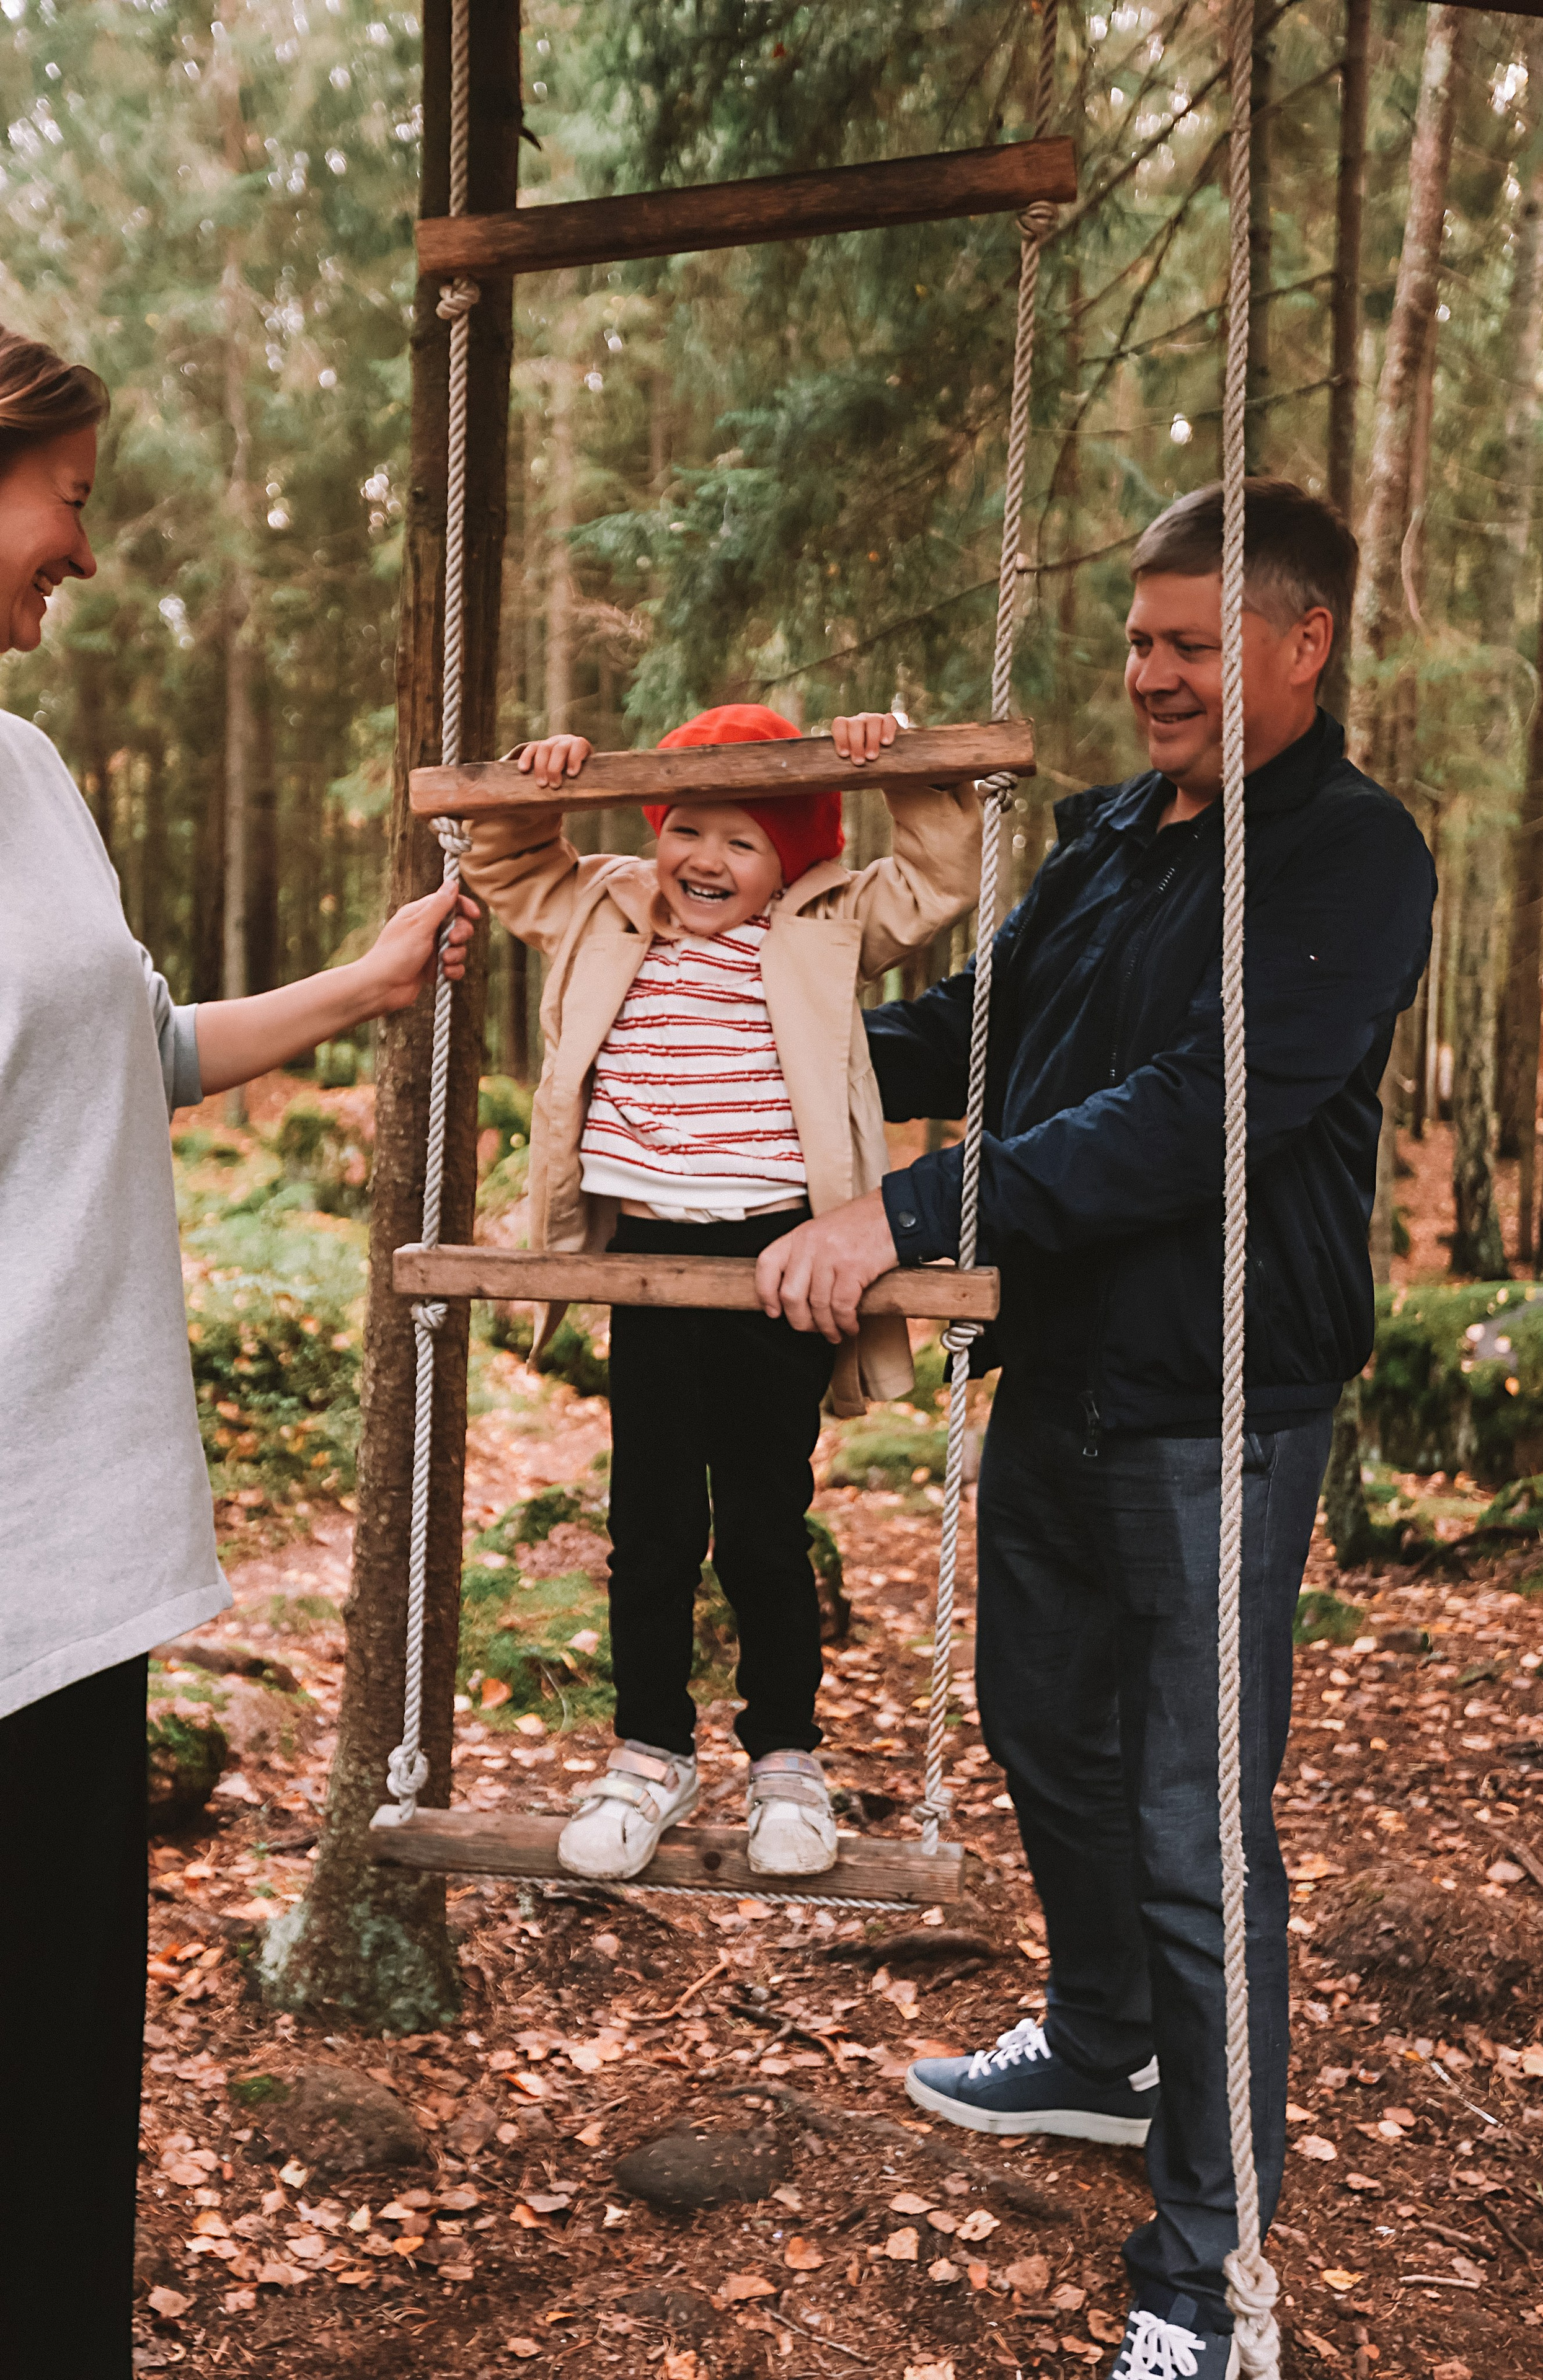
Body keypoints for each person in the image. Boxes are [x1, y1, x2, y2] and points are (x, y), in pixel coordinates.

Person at [753, 481, 1436, 2379]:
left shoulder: (1354, 857)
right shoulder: (1114, 838)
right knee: (1047, 1731)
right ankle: (1109, 2045)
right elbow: (971, 1034)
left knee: (1194, 1824)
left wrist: (909, 1212)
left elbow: (1194, 1110)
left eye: (1192, 645)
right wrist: (737, 1025)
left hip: (1221, 1405)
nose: (1150, 675)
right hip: (1051, 1368)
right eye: (1139, 640)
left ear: (1303, 644)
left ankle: (1208, 2276)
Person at [0, 322, 479, 2380]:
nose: (85, 549)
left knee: (55, 2130)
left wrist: (368, 985)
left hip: (75, 1568)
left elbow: (135, 1053)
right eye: (69, 499)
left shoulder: (27, 775)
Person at [459, 702, 979, 1880]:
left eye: (743, 841)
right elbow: (508, 864)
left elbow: (938, 876)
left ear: (790, 861)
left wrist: (893, 763)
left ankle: (786, 1757)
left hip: (779, 1266)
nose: (705, 859)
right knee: (647, 1529)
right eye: (685, 828)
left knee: (760, 1523)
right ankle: (649, 1751)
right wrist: (544, 784)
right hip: (649, 1264)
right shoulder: (606, 905)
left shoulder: (826, 922)